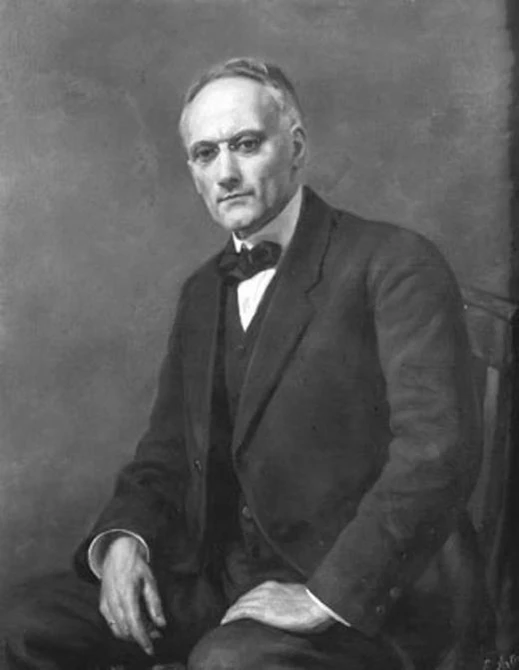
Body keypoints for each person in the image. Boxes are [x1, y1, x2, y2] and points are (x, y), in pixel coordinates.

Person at [3, 57, 484, 670]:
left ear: (296, 147)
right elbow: (167, 450)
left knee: (228, 663)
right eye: (206, 154)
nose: (226, 172)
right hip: (220, 582)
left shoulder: (395, 263)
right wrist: (125, 539)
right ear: (193, 171)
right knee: (22, 625)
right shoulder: (203, 293)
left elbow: (437, 453)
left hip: (365, 600)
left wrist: (325, 597)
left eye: (247, 144)